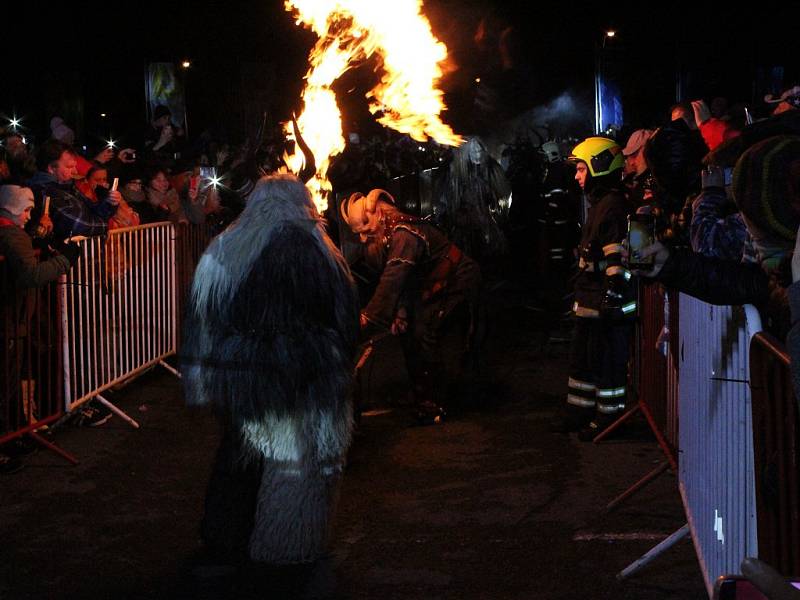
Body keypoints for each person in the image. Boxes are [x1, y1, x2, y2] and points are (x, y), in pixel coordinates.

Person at [180, 174, 359, 571]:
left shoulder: (226, 246)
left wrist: (198, 379)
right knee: (295, 463)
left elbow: (201, 317)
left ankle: (224, 536)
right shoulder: (321, 249)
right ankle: (286, 545)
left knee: (239, 454)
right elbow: (344, 317)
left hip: (243, 375)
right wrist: (343, 365)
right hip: (308, 373)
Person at [340, 188, 482, 424]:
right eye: (358, 234)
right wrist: (401, 313)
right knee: (409, 333)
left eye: (366, 228)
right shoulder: (387, 236)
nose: (364, 238)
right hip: (432, 284)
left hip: (459, 279)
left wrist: (368, 318)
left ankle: (436, 401)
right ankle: (423, 392)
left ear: (378, 214)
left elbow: (394, 278)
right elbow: (407, 279)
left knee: (427, 333)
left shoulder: (403, 234)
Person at [552, 137, 635, 440]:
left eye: (581, 169)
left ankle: (607, 419)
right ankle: (578, 412)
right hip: (590, 301)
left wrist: (612, 292)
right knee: (582, 361)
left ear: (599, 167)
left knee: (606, 365)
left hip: (605, 306)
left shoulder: (611, 206)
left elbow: (616, 255)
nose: (576, 176)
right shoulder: (600, 203)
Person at [0, 184, 80, 473]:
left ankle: (14, 435)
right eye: (27, 209)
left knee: (9, 385)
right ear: (12, 209)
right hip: (9, 323)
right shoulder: (10, 234)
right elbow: (30, 275)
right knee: (5, 385)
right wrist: (64, 260)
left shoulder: (11, 232)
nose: (29, 215)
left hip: (12, 322)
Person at [621, 128, 654, 205]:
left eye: (634, 155)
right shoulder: (628, 184)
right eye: (628, 156)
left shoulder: (656, 185)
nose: (631, 162)